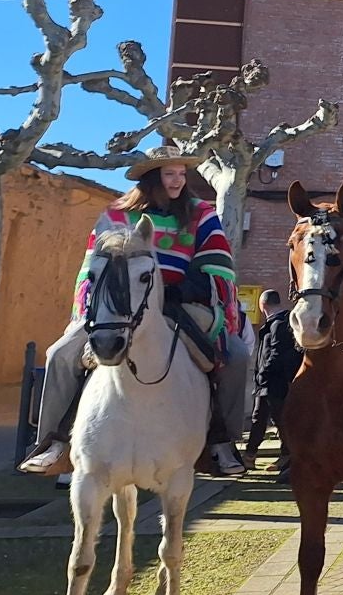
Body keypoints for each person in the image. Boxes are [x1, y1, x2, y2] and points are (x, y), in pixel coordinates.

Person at [23, 145, 251, 478]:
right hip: (115, 304)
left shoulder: (201, 212)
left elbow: (216, 263)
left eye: (180, 174)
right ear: (151, 177)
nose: (177, 181)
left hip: (178, 303)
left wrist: (183, 288)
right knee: (60, 353)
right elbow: (94, 267)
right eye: (169, 174)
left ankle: (221, 441)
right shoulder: (116, 215)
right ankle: (54, 443)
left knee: (236, 353)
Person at [246, 287, 303, 480]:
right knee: (264, 418)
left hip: (273, 383)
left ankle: (284, 456)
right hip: (271, 382)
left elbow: (275, 354)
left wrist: (263, 374)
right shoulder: (280, 322)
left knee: (275, 420)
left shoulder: (278, 324)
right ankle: (253, 455)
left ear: (262, 305)